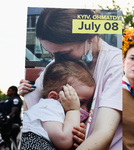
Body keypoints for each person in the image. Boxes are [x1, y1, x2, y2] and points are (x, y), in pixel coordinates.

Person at [18, 8, 122, 150]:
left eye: (64, 53)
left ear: (90, 36)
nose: (55, 60)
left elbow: (103, 133)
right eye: (51, 54)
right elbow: (29, 109)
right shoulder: (54, 66)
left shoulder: (115, 63)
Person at [21, 61, 95, 150]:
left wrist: (77, 138)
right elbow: (64, 141)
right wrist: (73, 110)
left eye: (89, 104)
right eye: (79, 102)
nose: (85, 110)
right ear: (54, 97)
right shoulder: (50, 105)